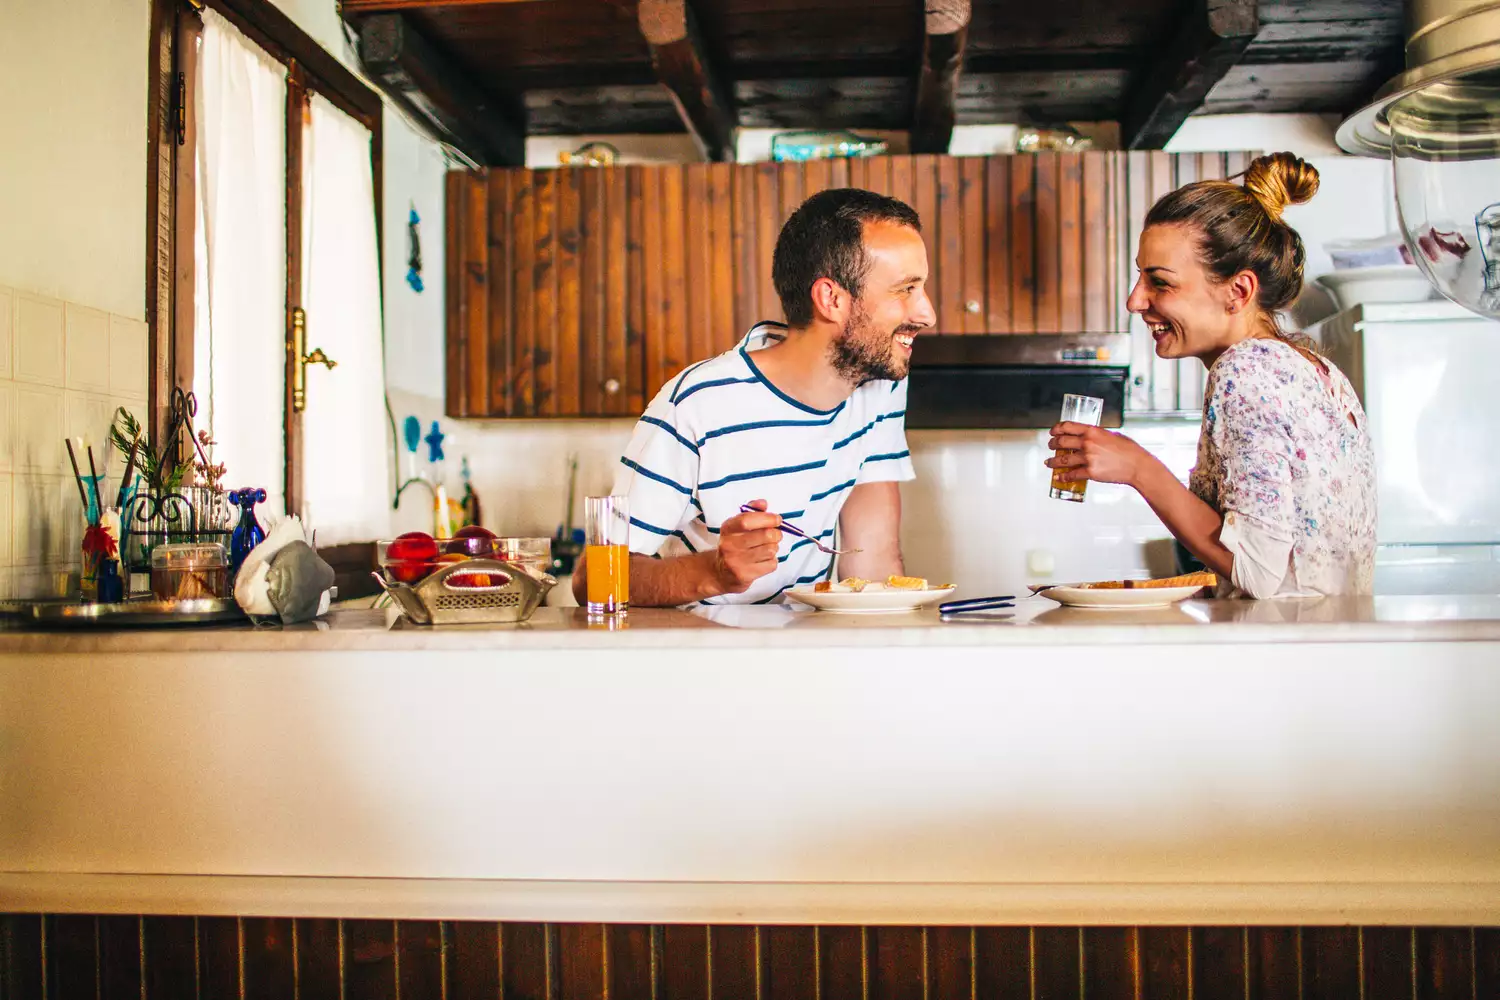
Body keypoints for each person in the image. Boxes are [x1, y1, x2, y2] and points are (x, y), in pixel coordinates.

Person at [572, 188, 936, 607]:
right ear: (832, 299)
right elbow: (593, 580)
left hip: (801, 653)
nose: (926, 313)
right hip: (699, 660)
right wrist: (714, 572)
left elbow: (872, 564)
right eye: (905, 290)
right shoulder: (698, 403)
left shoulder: (878, 383)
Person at [1045, 152, 1377, 599]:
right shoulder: (1311, 369)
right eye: (1140, 278)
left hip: (1287, 653)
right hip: (1319, 645)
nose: (1135, 300)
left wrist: (1139, 468)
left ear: (1237, 292)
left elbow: (1258, 572)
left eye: (1160, 282)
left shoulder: (1247, 370)